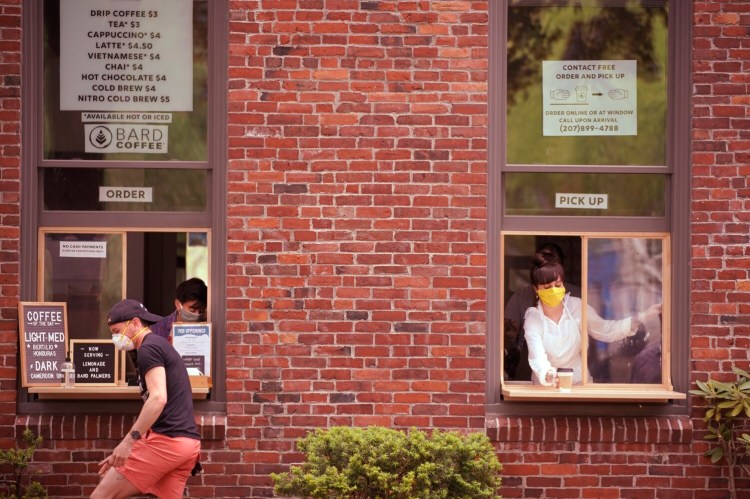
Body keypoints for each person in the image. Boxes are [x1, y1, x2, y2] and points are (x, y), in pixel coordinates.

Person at [91, 299, 201, 499]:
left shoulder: (148, 349)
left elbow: (158, 398)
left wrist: (127, 443)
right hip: (188, 444)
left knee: (101, 496)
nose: (115, 337)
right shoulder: (158, 345)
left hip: (166, 442)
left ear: (135, 322)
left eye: (117, 331)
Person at [523, 249, 660, 387]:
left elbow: (605, 329)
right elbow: (537, 355)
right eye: (547, 287)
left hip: (578, 384)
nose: (553, 290)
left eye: (557, 285)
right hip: (545, 388)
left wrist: (643, 316)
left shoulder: (577, 307)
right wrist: (548, 374)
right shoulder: (533, 317)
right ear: (536, 289)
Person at [504, 242, 580, 380]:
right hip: (528, 373)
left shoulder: (576, 296)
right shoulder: (520, 296)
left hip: (574, 377)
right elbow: (508, 336)